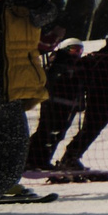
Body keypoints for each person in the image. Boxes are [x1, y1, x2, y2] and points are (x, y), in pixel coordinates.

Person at [0, 0, 57, 208]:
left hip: (10, 94)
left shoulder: (24, 5)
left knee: (11, 160)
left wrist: (31, 1)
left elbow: (49, 15)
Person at [56, 32, 108, 170]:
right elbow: (78, 70)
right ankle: (70, 157)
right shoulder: (98, 57)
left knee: (94, 130)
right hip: (96, 99)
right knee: (90, 129)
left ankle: (72, 156)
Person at [28, 38, 85, 171]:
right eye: (73, 49)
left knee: (58, 133)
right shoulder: (57, 62)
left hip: (69, 104)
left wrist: (81, 101)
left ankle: (43, 160)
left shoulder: (79, 65)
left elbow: (80, 85)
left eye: (79, 50)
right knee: (45, 131)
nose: (77, 53)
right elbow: (52, 79)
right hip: (52, 102)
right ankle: (29, 159)